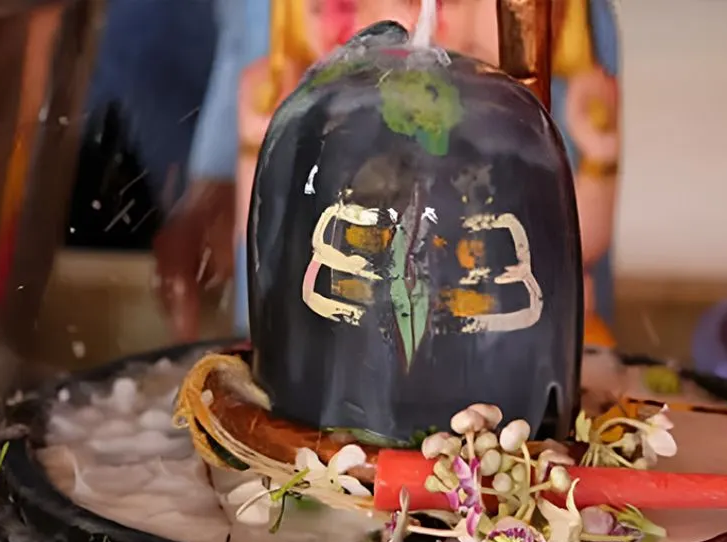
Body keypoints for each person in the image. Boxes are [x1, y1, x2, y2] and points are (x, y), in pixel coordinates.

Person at [153, 0, 621, 342]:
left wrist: (599, 159)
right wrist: (233, 167)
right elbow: (269, 219)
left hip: (493, 327)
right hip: (336, 328)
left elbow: (570, 237)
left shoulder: (523, 89)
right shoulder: (323, 88)